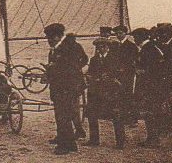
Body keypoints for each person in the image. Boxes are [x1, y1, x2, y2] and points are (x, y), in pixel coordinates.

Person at [44, 23, 88, 155]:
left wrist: (53, 68)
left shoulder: (69, 48)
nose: (48, 41)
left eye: (50, 38)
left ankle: (65, 145)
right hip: (60, 87)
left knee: (64, 115)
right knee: (61, 115)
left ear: (58, 37)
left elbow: (71, 66)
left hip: (68, 87)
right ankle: (68, 142)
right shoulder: (55, 50)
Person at [85, 38, 125, 148]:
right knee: (92, 114)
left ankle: (120, 142)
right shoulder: (94, 60)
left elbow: (120, 73)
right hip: (96, 91)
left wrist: (111, 78)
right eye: (98, 47)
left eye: (102, 47)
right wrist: (91, 77)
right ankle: (94, 140)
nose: (100, 49)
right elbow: (91, 73)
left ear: (107, 47)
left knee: (116, 116)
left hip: (110, 91)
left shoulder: (114, 59)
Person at [133, 27, 165, 148]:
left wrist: (141, 71)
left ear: (140, 38)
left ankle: (153, 138)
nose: (135, 40)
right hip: (152, 86)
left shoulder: (148, 50)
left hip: (150, 86)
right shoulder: (151, 48)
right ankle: (152, 137)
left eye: (136, 37)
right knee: (151, 112)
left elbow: (154, 68)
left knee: (150, 112)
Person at [113, 25, 139, 126]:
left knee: (128, 94)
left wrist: (126, 68)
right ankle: (123, 116)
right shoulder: (114, 46)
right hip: (118, 74)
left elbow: (134, 60)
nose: (118, 35)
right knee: (120, 94)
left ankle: (132, 118)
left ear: (125, 33)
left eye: (120, 33)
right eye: (117, 33)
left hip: (128, 74)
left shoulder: (131, 46)